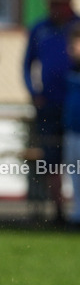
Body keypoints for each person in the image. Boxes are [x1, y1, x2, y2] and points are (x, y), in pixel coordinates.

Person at [23, 0, 79, 223]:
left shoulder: (77, 26)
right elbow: (27, 64)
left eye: (60, 3)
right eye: (52, 3)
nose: (55, 8)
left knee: (76, 159)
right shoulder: (40, 29)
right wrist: (33, 92)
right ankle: (59, 211)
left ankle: (76, 208)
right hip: (49, 106)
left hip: (75, 105)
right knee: (51, 160)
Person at [62, 22, 80, 228]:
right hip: (73, 129)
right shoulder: (71, 68)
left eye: (75, 43)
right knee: (74, 172)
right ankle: (77, 213)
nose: (71, 48)